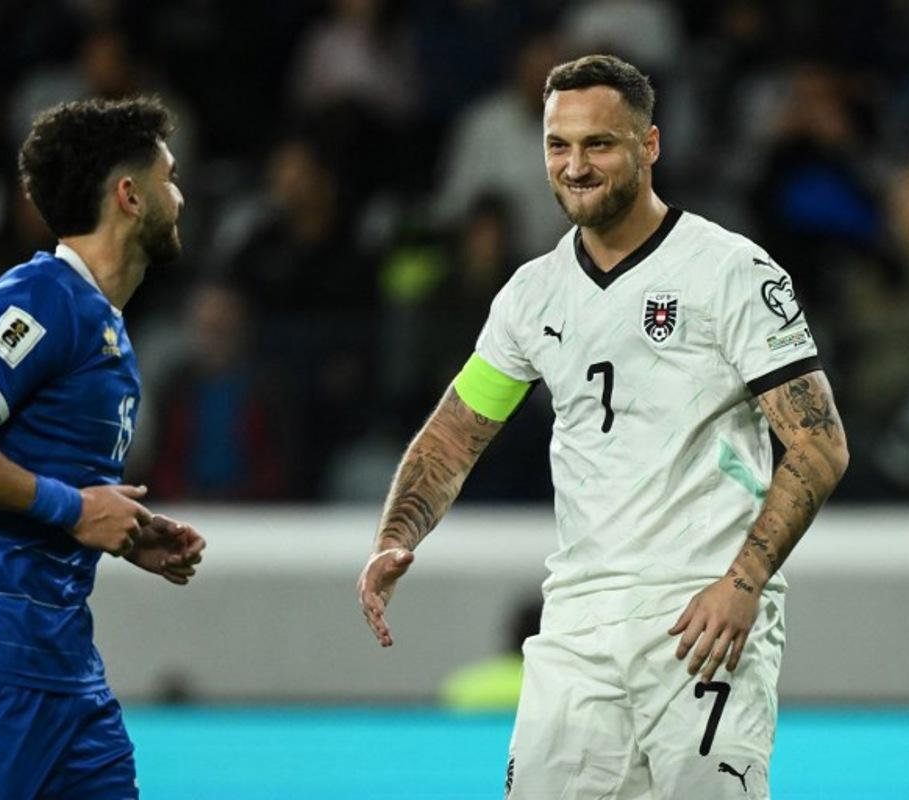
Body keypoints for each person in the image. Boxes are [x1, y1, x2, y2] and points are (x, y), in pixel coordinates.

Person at [357, 55, 848, 799]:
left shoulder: (730, 272)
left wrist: (743, 584)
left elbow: (819, 442)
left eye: (599, 145)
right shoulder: (531, 295)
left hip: (700, 614)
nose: (575, 166)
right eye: (559, 145)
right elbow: (456, 433)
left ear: (649, 147)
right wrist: (397, 537)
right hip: (579, 624)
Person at [0, 96, 206, 799]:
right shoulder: (40, 299)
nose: (180, 196)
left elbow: (53, 485)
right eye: (170, 177)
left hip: (63, 672)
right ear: (129, 196)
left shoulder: (102, 324)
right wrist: (74, 510)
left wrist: (123, 533)